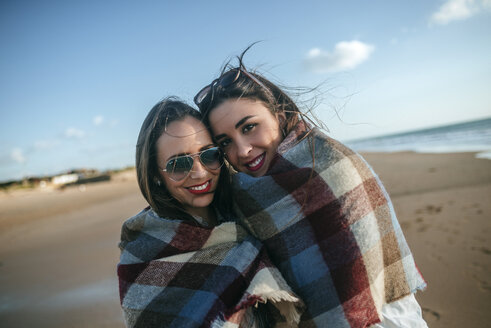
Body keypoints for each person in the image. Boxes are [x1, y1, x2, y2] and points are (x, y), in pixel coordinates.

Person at [195, 51, 428, 327]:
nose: (243, 150)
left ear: (278, 114)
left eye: (249, 127)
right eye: (225, 143)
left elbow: (368, 269)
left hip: (386, 317)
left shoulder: (331, 165)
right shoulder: (239, 198)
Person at [117, 98, 304, 328]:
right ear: (156, 174)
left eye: (208, 154)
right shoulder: (142, 256)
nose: (200, 173)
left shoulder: (249, 211)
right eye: (179, 164)